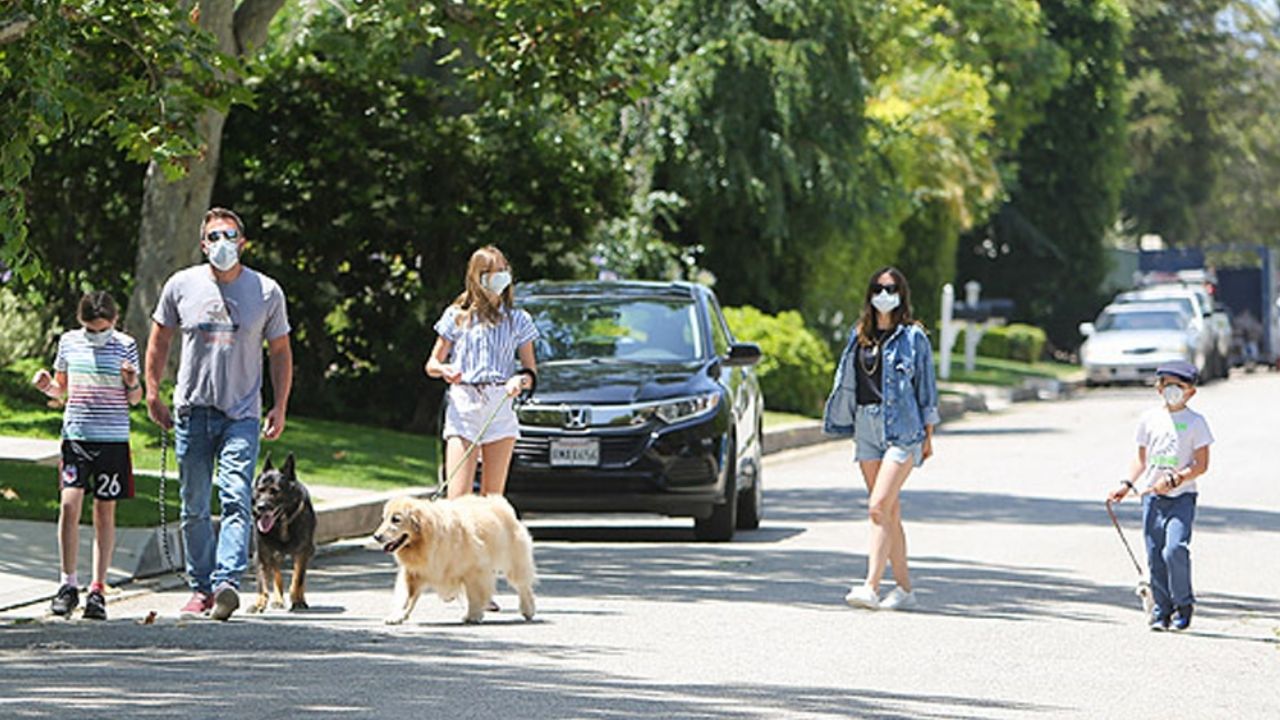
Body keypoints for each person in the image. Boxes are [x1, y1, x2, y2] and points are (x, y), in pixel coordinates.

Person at [145, 207, 293, 622]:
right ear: (202, 243)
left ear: (242, 242)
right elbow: (159, 338)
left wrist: (280, 405)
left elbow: (280, 352)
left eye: (229, 235)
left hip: (240, 415)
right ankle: (200, 587)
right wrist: (152, 391)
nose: (221, 244)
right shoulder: (182, 285)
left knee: (234, 496)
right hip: (192, 411)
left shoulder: (266, 291)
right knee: (193, 504)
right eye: (213, 237)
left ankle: (226, 582)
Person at [823, 267, 939, 611]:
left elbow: (926, 390)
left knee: (877, 507)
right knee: (889, 511)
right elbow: (848, 382)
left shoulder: (913, 337)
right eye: (878, 287)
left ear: (901, 295)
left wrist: (928, 436)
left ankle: (870, 586)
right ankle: (904, 589)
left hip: (903, 431)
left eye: (891, 289)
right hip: (866, 427)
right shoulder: (858, 334)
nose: (884, 294)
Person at [31, 291, 143, 620]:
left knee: (104, 512)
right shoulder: (69, 342)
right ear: (81, 324)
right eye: (91, 330)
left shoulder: (125, 345)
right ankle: (68, 584)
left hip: (111, 439)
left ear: (114, 321)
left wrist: (132, 381)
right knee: (69, 504)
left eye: (103, 329)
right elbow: (60, 389)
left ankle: (98, 588)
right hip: (76, 437)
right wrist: (46, 385)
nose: (97, 336)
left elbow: (135, 399)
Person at [425, 245, 538, 499]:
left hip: (500, 401)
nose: (501, 276)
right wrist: (444, 370)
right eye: (492, 271)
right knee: (458, 496)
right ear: (478, 277)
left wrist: (519, 380)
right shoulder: (457, 316)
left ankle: (490, 540)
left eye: (503, 270)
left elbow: (531, 371)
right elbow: (431, 363)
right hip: (464, 403)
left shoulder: (518, 319)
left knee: (493, 499)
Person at [1108, 360, 1212, 631]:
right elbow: (1141, 460)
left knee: (1174, 549)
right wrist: (1127, 483)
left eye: (1178, 385)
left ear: (1191, 391)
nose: (1171, 390)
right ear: (1158, 388)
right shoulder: (1149, 419)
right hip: (1152, 499)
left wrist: (1177, 478)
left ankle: (1184, 604)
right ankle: (1161, 609)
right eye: (1166, 384)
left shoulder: (1196, 423)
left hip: (1181, 498)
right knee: (1154, 555)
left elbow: (1201, 465)